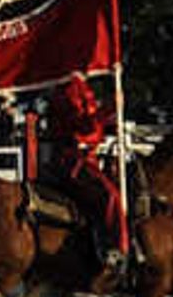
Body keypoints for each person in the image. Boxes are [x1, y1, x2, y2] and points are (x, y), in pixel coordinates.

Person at [32, 69, 121, 274]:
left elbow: (92, 126)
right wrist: (108, 108)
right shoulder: (69, 88)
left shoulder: (79, 86)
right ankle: (111, 252)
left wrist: (110, 121)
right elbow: (83, 129)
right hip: (73, 159)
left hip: (85, 156)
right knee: (110, 196)